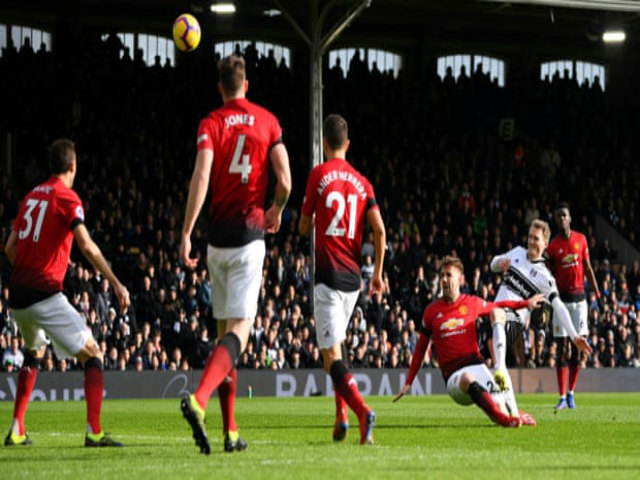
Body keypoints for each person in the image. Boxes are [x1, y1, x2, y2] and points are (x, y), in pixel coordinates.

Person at [179, 54, 291, 455]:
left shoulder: (210, 123)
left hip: (216, 241)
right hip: (249, 236)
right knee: (240, 332)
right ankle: (199, 399)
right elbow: (285, 179)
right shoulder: (267, 120)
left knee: (224, 334)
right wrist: (277, 208)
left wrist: (187, 231)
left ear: (220, 88)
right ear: (247, 85)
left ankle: (230, 432)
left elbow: (202, 176)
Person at [4, 139, 130, 447]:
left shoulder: (31, 196)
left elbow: (10, 248)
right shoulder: (66, 197)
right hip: (44, 293)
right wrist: (115, 281)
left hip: (17, 296)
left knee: (33, 353)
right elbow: (86, 245)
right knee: (93, 353)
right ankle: (94, 432)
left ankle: (17, 431)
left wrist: (28, 270)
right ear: (72, 167)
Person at [299, 113, 385, 445]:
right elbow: (379, 230)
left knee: (330, 357)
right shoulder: (364, 183)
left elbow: (305, 226)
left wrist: (315, 217)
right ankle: (341, 418)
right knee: (337, 350)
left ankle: (362, 412)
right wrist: (377, 272)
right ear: (347, 144)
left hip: (328, 276)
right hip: (354, 281)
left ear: (324, 142)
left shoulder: (319, 175)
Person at [393, 256, 544, 427]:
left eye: (449, 275)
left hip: (478, 366)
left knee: (498, 313)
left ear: (460, 279)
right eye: (442, 275)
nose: (444, 279)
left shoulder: (471, 303)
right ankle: (500, 418)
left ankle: (512, 413)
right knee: (467, 378)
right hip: (454, 377)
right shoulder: (431, 311)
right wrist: (408, 382)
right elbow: (420, 348)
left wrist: (526, 303)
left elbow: (501, 304)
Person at [489, 219, 593, 417]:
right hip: (493, 318)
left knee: (497, 316)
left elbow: (559, 306)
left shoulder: (545, 277)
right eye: (529, 237)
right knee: (478, 365)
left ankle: (499, 373)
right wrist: (498, 263)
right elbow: (493, 264)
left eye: (536, 239)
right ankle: (509, 408)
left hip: (512, 320)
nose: (531, 242)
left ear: (545, 243)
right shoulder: (517, 252)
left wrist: (573, 336)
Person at [546, 202, 601, 410]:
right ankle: (561, 397)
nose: (561, 218)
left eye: (564, 215)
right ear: (555, 219)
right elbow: (548, 274)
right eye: (558, 216)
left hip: (579, 302)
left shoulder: (581, 240)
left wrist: (598, 294)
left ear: (570, 218)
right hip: (561, 302)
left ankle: (571, 393)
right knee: (561, 350)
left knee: (578, 350)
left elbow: (587, 268)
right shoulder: (552, 246)